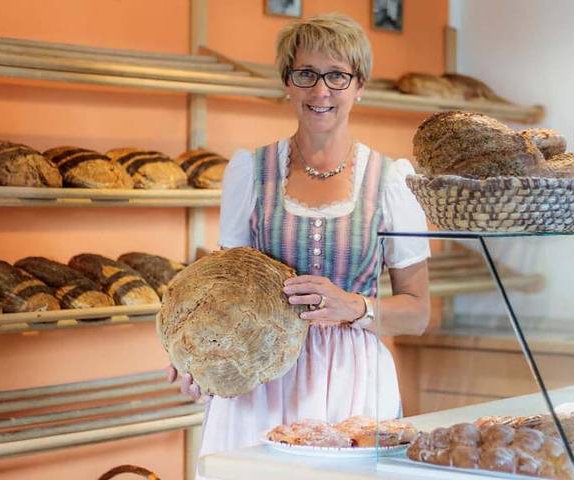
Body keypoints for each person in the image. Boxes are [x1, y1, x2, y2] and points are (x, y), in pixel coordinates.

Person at [167, 12, 431, 469]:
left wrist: (356, 307)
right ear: (288, 83)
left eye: (337, 76)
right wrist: (194, 358)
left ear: (359, 85)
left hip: (352, 380)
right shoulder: (250, 171)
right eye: (306, 74)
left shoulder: (391, 181)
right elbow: (221, 295)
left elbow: (418, 312)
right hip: (259, 377)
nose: (321, 91)